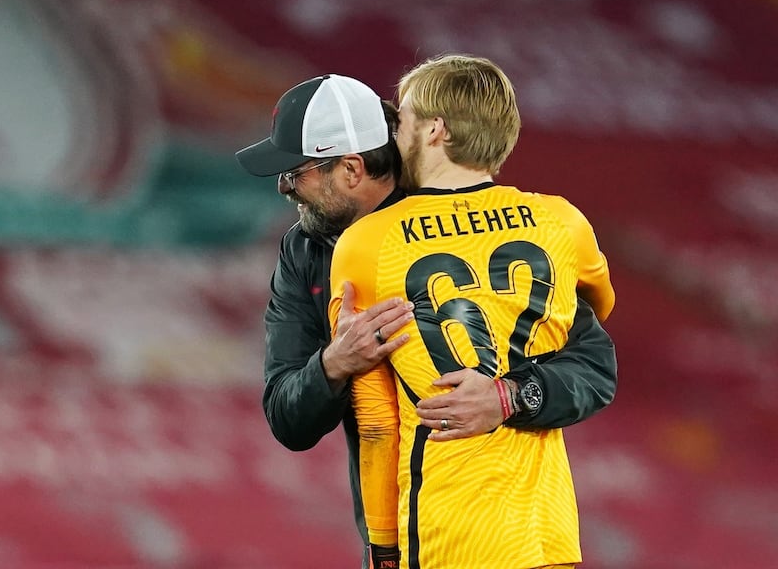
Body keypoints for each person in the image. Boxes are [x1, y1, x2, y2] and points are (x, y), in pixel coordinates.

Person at [235, 74, 617, 568]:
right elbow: (288, 418)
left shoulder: (462, 214)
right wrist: (333, 363)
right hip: (413, 534)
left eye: (296, 172)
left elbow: (593, 365)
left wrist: (511, 396)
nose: (285, 187)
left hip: (488, 528)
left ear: (351, 168)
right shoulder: (305, 249)